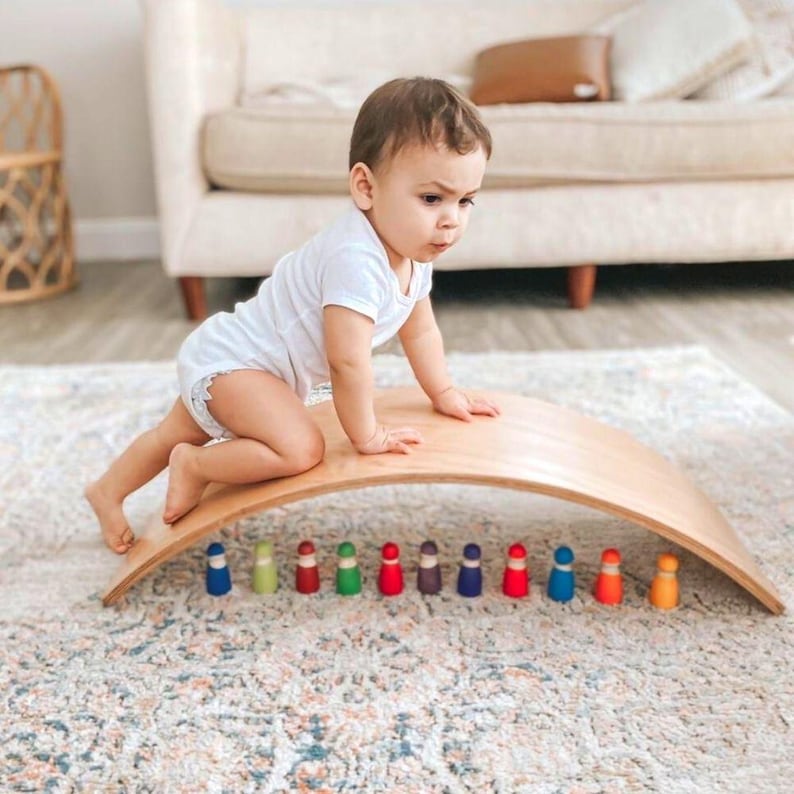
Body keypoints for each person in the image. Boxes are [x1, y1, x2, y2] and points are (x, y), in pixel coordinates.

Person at [86, 76, 501, 554]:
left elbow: (421, 330)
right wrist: (365, 434)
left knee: (170, 431)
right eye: (432, 199)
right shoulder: (355, 259)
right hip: (241, 365)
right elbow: (347, 362)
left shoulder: (411, 252)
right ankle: (195, 465)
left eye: (465, 200)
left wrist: (444, 392)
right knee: (300, 449)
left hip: (241, 359)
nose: (451, 219)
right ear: (366, 186)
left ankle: (106, 491)